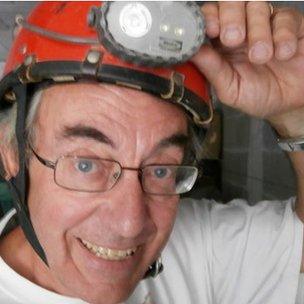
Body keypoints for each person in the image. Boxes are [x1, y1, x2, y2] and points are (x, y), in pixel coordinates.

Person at [0, 1, 303, 304]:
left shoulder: (195, 248)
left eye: (161, 170)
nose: (130, 225)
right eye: (86, 165)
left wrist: (295, 113)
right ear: (11, 152)